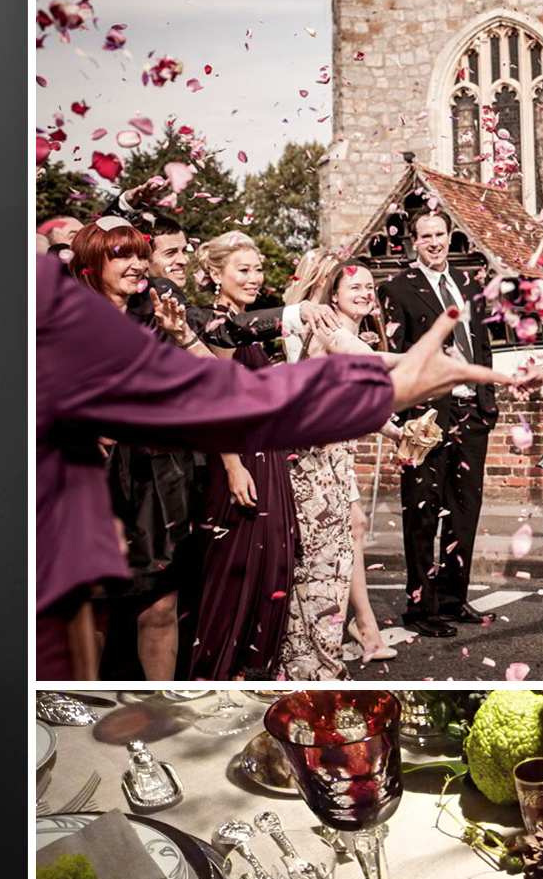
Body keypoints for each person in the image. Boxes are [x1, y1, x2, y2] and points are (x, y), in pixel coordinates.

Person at [37, 256, 513, 676]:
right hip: (285, 466)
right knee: (292, 576)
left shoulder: (282, 329)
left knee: (311, 573)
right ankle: (296, 665)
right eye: (243, 269)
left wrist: (398, 418)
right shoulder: (282, 328)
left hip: (312, 460)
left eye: (258, 269)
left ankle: (309, 661)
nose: (368, 293)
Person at [68, 222, 211, 680]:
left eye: (139, 255)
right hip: (95, 478)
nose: (135, 265)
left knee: (161, 603)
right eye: (120, 256)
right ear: (93, 264)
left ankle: (161, 703)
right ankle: (79, 699)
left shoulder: (155, 313)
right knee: (98, 605)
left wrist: (181, 334)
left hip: (160, 473)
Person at [279, 258, 398, 677]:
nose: (366, 293)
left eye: (370, 287)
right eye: (356, 287)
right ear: (334, 296)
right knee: (320, 572)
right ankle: (315, 666)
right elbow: (365, 361)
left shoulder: (344, 333)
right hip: (313, 467)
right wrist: (419, 360)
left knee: (331, 568)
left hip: (336, 464)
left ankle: (313, 660)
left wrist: (397, 435)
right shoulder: (330, 332)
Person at [188, 232, 300, 678]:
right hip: (237, 462)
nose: (255, 278)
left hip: (268, 456)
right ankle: (216, 674)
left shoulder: (245, 325)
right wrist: (233, 465)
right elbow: (212, 403)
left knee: (271, 570)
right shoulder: (215, 325)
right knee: (234, 574)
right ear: (215, 275)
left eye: (257, 269)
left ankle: (255, 673)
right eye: (243, 269)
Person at [380, 209, 495, 638]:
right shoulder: (397, 288)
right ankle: (421, 607)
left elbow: (482, 346)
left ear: (450, 237)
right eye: (425, 236)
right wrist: (402, 417)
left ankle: (451, 597)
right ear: (414, 242)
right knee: (423, 513)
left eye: (439, 234)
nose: (433, 242)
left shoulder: (469, 285)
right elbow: (395, 353)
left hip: (472, 414)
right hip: (426, 416)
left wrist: (488, 405)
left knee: (464, 513)